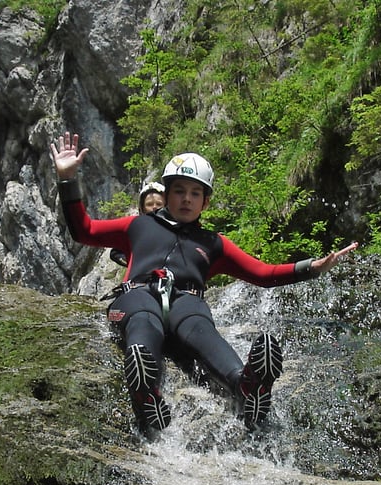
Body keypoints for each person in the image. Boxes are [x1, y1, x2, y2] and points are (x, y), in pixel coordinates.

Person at [50, 132, 358, 434]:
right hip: (138, 294)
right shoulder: (138, 225)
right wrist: (67, 180)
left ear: (205, 203)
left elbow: (263, 274)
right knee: (144, 318)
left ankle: (245, 384)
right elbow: (84, 230)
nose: (186, 198)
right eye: (179, 190)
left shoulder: (213, 244)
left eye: (195, 193)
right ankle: (147, 390)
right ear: (166, 194)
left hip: (187, 302)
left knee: (200, 325)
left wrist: (312, 267)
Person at [110, 182, 164, 267]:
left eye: (159, 204)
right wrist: (135, 264)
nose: (154, 207)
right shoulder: (136, 230)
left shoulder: (175, 228)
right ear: (142, 208)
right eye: (149, 204)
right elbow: (115, 253)